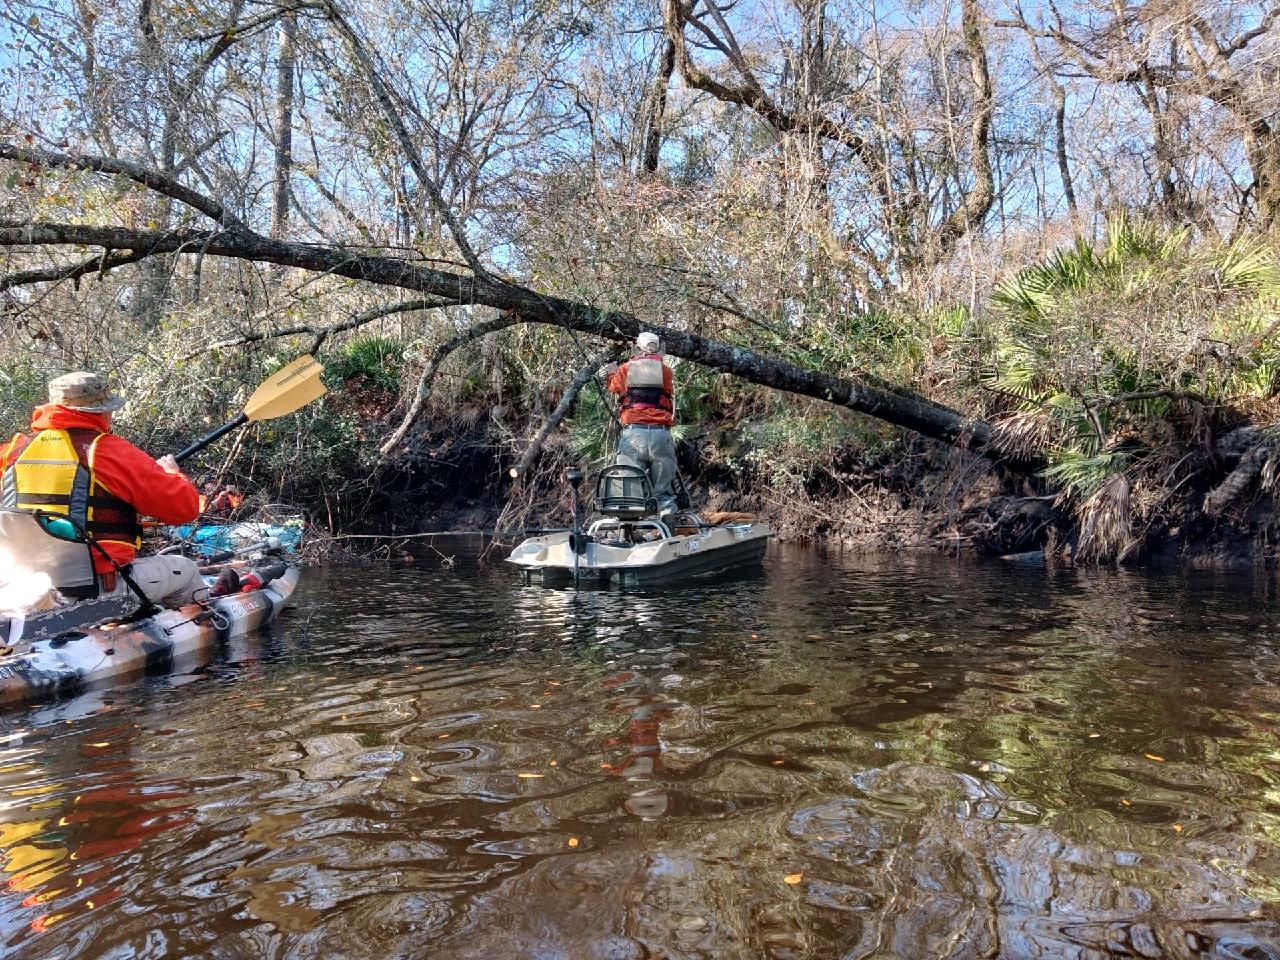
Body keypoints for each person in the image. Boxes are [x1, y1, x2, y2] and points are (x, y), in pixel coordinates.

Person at [0, 372, 228, 607]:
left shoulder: (13, 452)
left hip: (26, 588)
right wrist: (172, 474)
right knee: (186, 569)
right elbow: (185, 509)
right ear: (98, 412)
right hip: (96, 589)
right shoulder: (107, 451)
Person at [604, 331, 678, 515]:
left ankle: (630, 532)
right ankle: (667, 521)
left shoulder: (626, 368)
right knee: (663, 493)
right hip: (661, 435)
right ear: (658, 348)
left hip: (634, 435)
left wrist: (611, 373)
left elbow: (614, 387)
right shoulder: (666, 371)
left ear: (638, 347)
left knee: (631, 491)